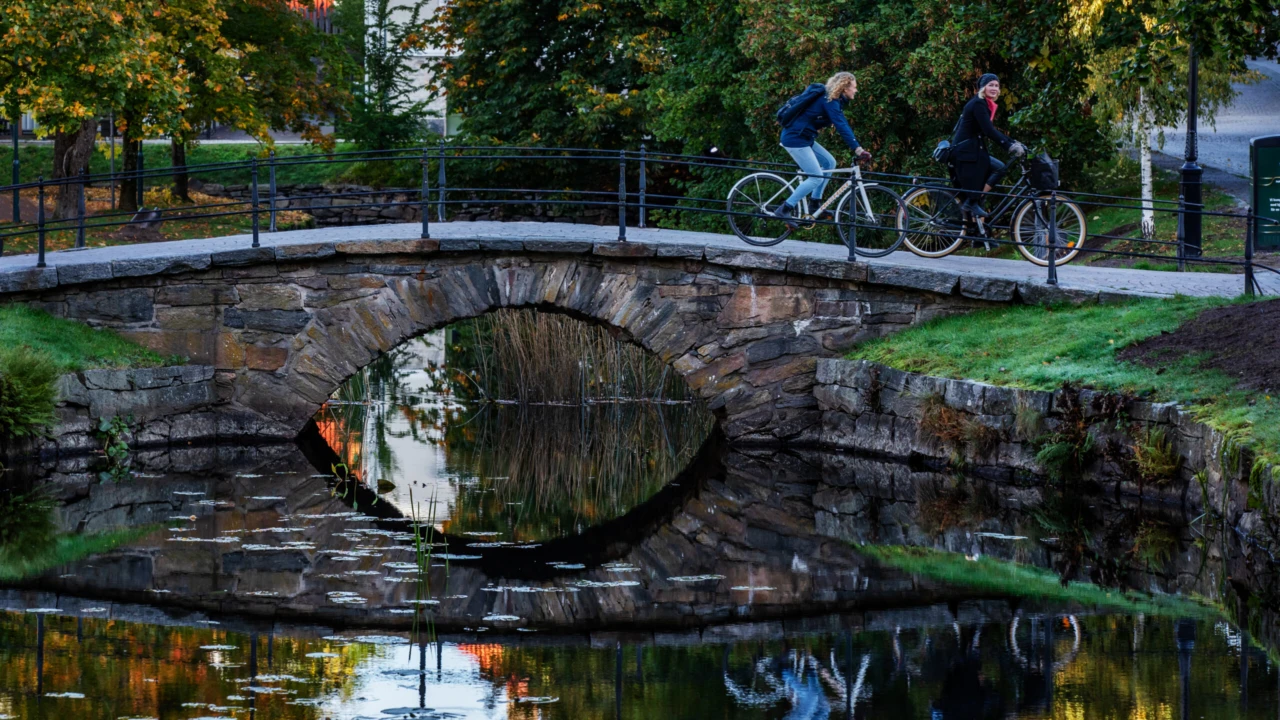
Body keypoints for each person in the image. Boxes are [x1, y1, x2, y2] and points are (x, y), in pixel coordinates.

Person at [775, 71, 872, 227]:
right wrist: (858, 149)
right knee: (816, 177)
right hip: (795, 138)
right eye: (854, 87)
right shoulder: (830, 101)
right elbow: (841, 125)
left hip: (804, 137)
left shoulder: (833, 100)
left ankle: (815, 203)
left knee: (829, 163)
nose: (856, 90)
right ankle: (784, 208)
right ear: (845, 88)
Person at [951, 73, 1026, 218]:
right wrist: (1008, 145)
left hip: (970, 151)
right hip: (966, 152)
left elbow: (989, 130)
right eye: (990, 85)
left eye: (996, 85)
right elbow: (989, 131)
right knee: (999, 168)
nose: (994, 88)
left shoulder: (983, 103)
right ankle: (974, 200)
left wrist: (1013, 142)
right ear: (982, 88)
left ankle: (976, 209)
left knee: (998, 168)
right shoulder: (979, 103)